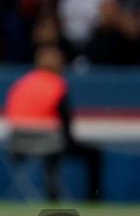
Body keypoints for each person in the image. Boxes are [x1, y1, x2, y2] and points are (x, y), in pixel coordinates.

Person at [5, 46, 102, 201]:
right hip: (50, 144)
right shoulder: (57, 85)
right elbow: (66, 122)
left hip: (18, 145)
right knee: (93, 153)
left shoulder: (20, 84)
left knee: (53, 150)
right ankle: (94, 198)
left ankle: (52, 190)